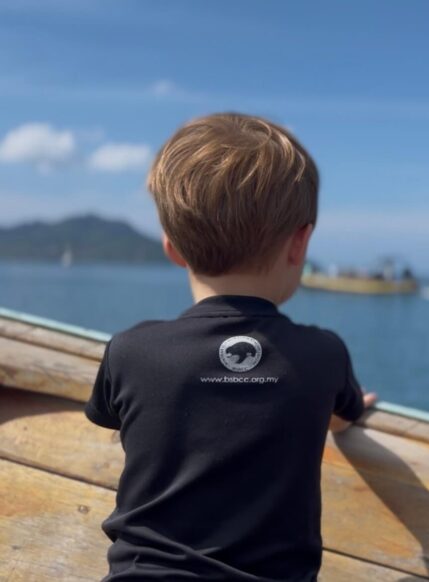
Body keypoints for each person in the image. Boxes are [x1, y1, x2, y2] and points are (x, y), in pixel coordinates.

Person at [85, 113, 375, 580]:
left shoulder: (131, 351)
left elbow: (112, 417)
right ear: (299, 243)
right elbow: (342, 418)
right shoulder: (323, 356)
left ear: (171, 245)